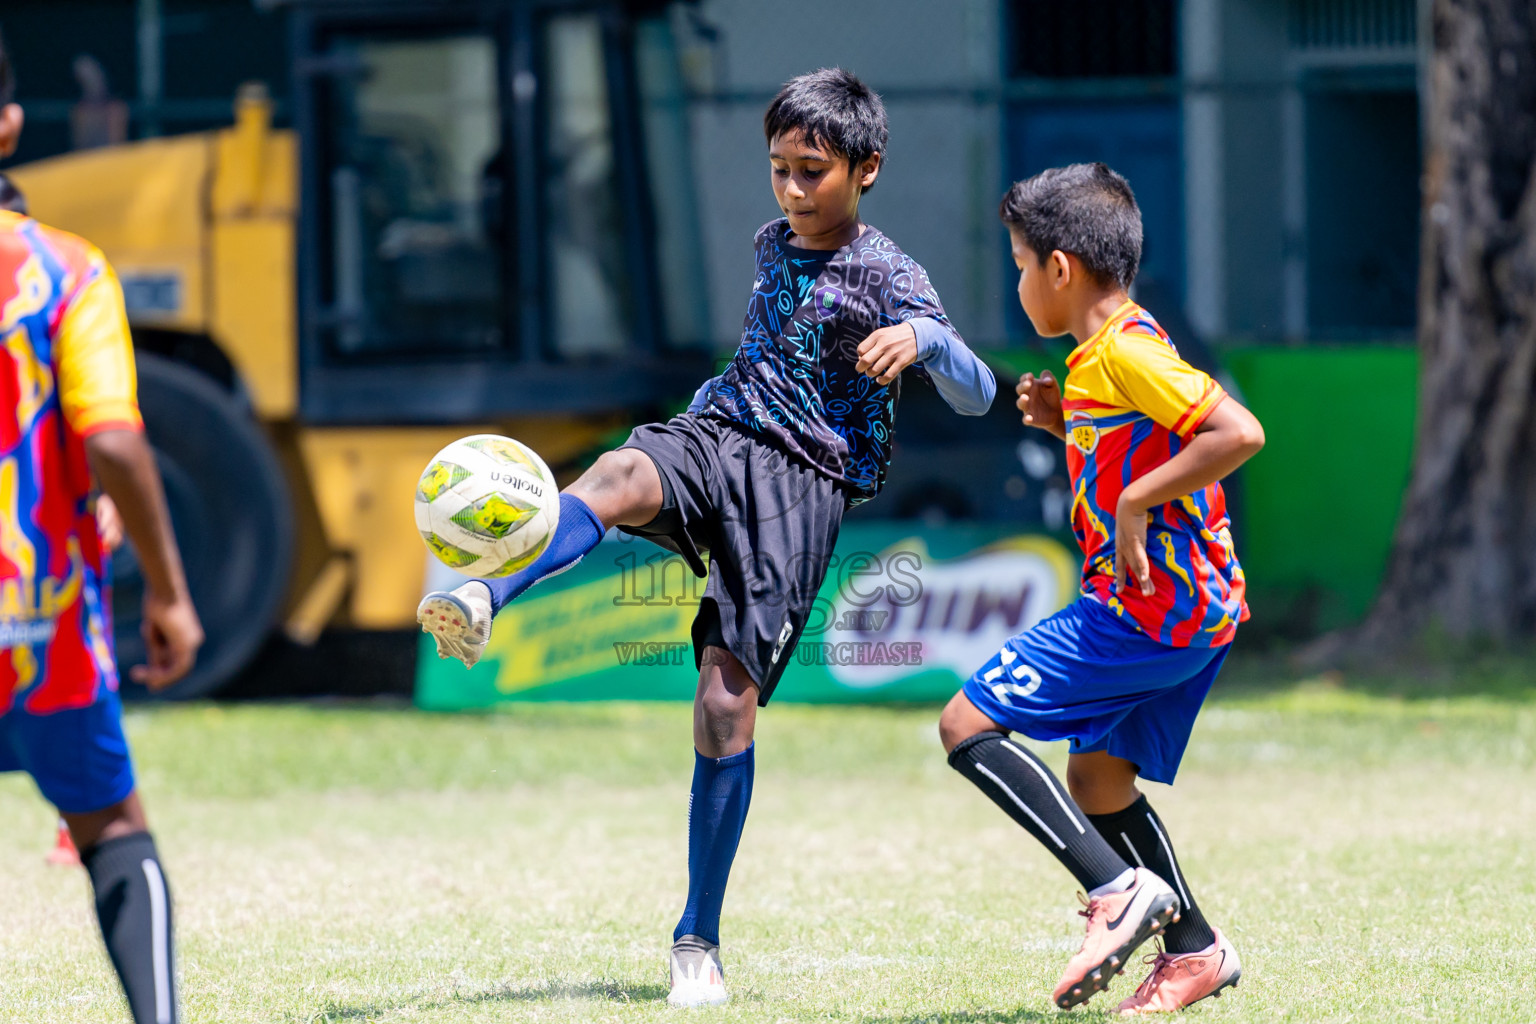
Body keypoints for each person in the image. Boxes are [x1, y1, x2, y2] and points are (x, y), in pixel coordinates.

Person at [418, 68, 995, 1007]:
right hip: (719, 432)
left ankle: (698, 940)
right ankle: (482, 596)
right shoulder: (774, 243)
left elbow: (978, 393)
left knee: (725, 703)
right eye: (779, 169)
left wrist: (929, 345)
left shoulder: (891, 273)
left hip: (801, 485)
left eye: (814, 171)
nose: (794, 191)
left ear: (868, 168)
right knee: (612, 476)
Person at [938, 163, 1264, 1014]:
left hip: (1149, 609)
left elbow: (1237, 430)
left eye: (1018, 264)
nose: (1016, 283)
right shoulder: (1104, 358)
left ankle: (1116, 889)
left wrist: (1131, 505)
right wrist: (1065, 423)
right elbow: (1149, 439)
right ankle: (1195, 950)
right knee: (1100, 783)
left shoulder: (1123, 349)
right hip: (1197, 609)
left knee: (967, 723)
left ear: (1059, 269)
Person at [0, 36, 205, 1024]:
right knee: (113, 828)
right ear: (7, 127)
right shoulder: (64, 271)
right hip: (34, 620)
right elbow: (113, 438)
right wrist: (166, 589)